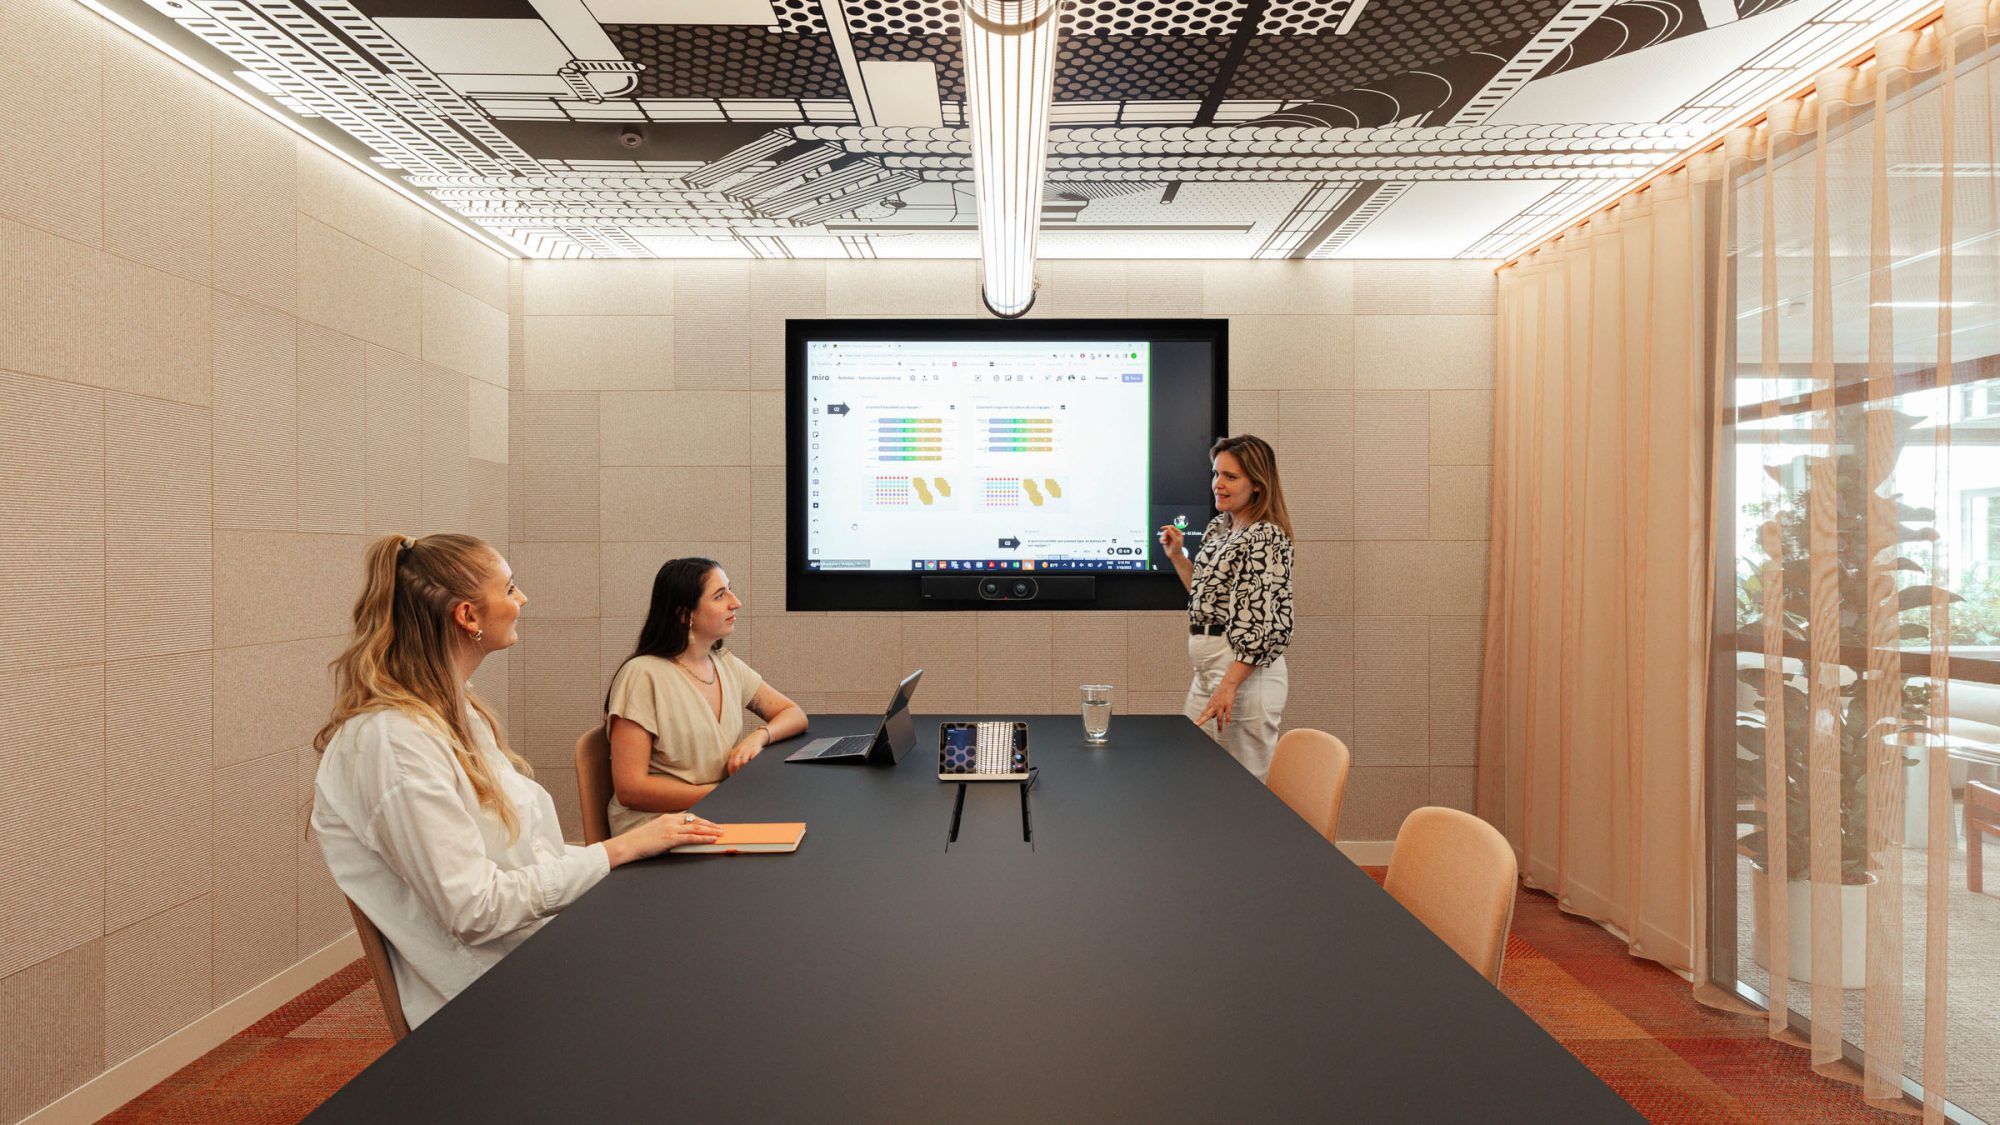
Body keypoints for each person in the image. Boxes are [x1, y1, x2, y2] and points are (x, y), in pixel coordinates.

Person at [312, 533, 723, 1029]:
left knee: (706, 944)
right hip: (497, 995)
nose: (522, 600)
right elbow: (475, 909)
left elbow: (525, 858)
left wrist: (634, 845)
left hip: (535, 951)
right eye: (510, 589)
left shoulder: (456, 713)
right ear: (468, 616)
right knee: (702, 981)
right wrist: (614, 852)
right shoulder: (394, 743)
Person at [603, 558, 808, 835]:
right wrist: (721, 795)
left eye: (729, 590)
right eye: (720, 596)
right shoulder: (642, 675)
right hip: (659, 828)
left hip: (714, 813)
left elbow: (793, 714)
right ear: (685, 614)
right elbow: (631, 789)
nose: (735, 603)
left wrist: (757, 737)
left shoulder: (723, 662)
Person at [1157, 435, 1296, 780]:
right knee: (1196, 773)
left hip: (1241, 672)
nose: (1218, 484)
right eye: (1216, 474)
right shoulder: (1220, 528)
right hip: (1209, 672)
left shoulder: (1266, 535)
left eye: (1230, 477)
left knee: (1245, 783)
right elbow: (1206, 598)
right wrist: (1177, 557)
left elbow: (1261, 622)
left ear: (1258, 485)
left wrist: (1229, 685)